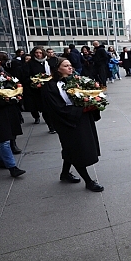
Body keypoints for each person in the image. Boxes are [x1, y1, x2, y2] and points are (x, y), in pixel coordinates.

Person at [42, 58, 104, 192]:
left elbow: (86, 96)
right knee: (76, 149)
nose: (70, 68)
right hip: (67, 121)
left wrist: (93, 103)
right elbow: (57, 108)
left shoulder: (76, 80)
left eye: (70, 65)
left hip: (82, 118)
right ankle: (88, 181)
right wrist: (81, 109)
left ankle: (65, 174)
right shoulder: (50, 86)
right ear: (57, 68)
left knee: (71, 148)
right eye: (66, 66)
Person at [22, 46, 55, 133]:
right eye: (36, 53)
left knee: (49, 108)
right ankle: (50, 126)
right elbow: (25, 77)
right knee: (44, 109)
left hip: (49, 88)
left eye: (40, 53)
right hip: (37, 91)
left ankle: (52, 125)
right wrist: (35, 82)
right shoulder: (30, 64)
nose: (38, 55)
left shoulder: (47, 62)